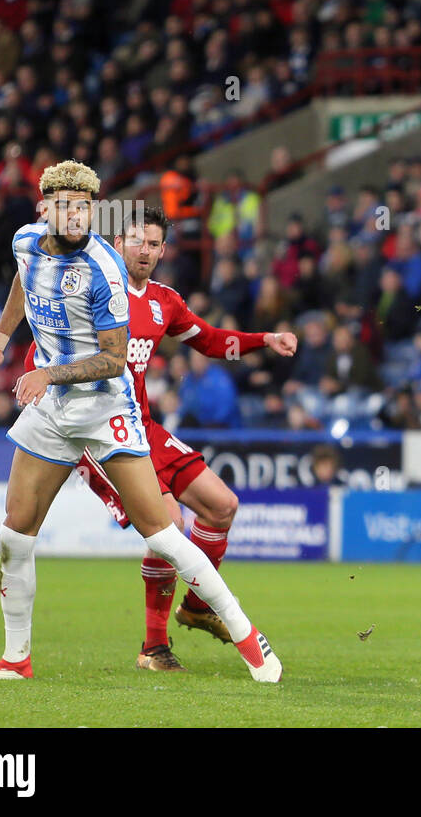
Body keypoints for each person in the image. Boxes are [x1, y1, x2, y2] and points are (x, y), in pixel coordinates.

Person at [0, 160, 282, 682]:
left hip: (103, 409)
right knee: (14, 536)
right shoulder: (24, 240)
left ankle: (246, 636)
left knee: (165, 531)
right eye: (64, 205)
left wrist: (48, 374)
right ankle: (16, 660)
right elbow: (25, 277)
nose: (74, 215)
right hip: (52, 409)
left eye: (85, 207)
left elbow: (112, 362)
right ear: (45, 209)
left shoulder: (103, 269)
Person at [20, 205, 298, 670]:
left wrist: (262, 339)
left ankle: (197, 607)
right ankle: (153, 647)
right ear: (118, 242)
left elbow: (208, 340)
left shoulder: (164, 301)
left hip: (141, 425)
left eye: (153, 244)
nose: (144, 251)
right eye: (136, 241)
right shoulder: (90, 287)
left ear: (163, 250)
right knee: (167, 519)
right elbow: (45, 348)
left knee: (222, 505)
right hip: (94, 432)